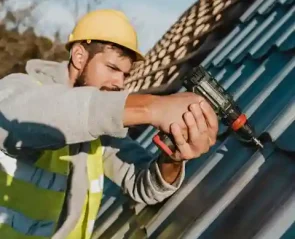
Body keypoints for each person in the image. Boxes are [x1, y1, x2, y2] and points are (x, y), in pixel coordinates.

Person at [0, 9, 218, 239]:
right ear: (79, 56)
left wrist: (173, 157)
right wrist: (150, 108)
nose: (119, 83)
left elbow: (145, 185)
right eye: (113, 68)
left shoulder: (99, 132)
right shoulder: (18, 89)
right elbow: (34, 119)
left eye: (124, 75)